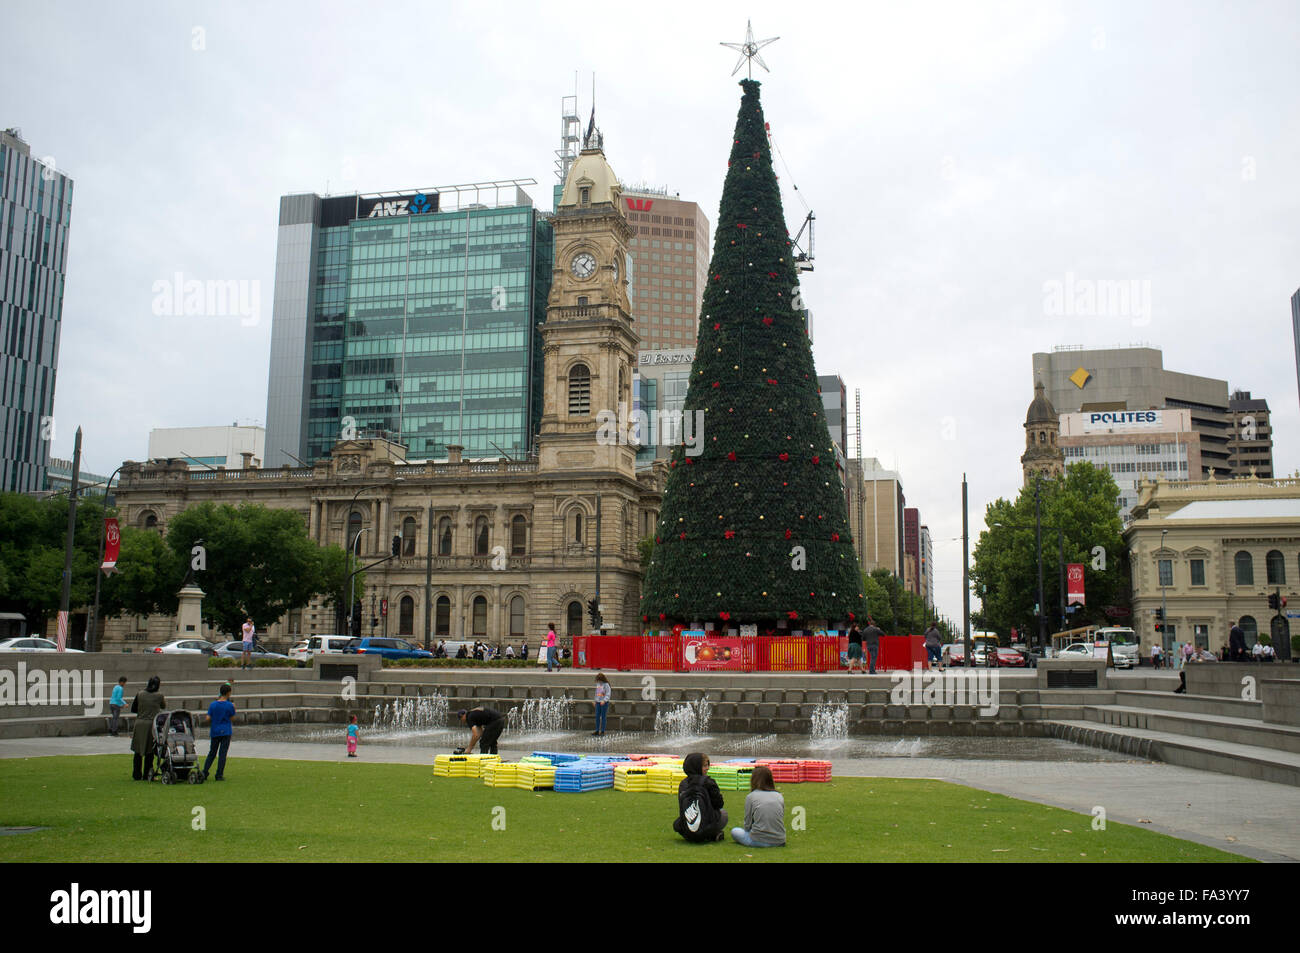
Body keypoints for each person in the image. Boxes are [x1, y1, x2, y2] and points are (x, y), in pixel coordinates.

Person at [673, 752, 728, 843]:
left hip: (687, 831)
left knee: (678, 822)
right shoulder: (708, 782)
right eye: (705, 766)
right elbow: (719, 804)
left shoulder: (683, 784)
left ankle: (694, 834)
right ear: (697, 767)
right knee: (723, 814)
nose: (707, 768)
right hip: (706, 825)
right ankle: (711, 834)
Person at [730, 764, 786, 848]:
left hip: (758, 840)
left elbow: (747, 825)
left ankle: (760, 840)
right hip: (780, 840)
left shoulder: (751, 797)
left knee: (735, 831)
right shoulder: (779, 796)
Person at [130, 676, 166, 780]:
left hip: (139, 723)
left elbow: (134, 708)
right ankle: (147, 774)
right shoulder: (159, 695)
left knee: (137, 751)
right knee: (150, 751)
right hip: (151, 724)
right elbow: (163, 706)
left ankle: (136, 774)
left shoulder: (140, 694)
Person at [200, 683, 236, 781]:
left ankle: (205, 771)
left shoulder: (213, 704)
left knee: (212, 752)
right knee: (222, 754)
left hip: (215, 731)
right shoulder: (230, 705)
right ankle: (219, 774)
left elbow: (207, 718)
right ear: (229, 693)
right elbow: (232, 718)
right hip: (226, 731)